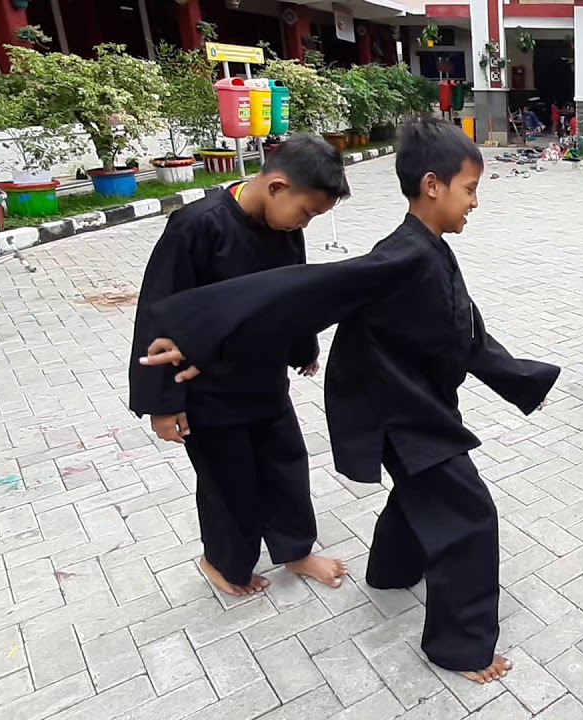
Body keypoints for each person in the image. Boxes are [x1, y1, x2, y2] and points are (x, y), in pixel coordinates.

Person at [136, 116, 560, 685]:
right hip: (390, 413)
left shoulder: (428, 249)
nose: (476, 203)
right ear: (432, 185)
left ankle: (388, 571)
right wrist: (190, 333)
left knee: (388, 488)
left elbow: (465, 330)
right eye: (471, 189)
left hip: (402, 406)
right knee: (469, 518)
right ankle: (461, 648)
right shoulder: (401, 255)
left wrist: (520, 377)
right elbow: (303, 291)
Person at [127, 133, 351, 598]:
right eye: (306, 212)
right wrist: (162, 404)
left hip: (264, 383)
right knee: (230, 486)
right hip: (209, 394)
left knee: (287, 468)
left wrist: (302, 347)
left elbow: (291, 297)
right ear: (275, 187)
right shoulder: (198, 226)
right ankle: (222, 562)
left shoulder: (284, 232)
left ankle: (295, 550)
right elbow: (157, 314)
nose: (303, 225)